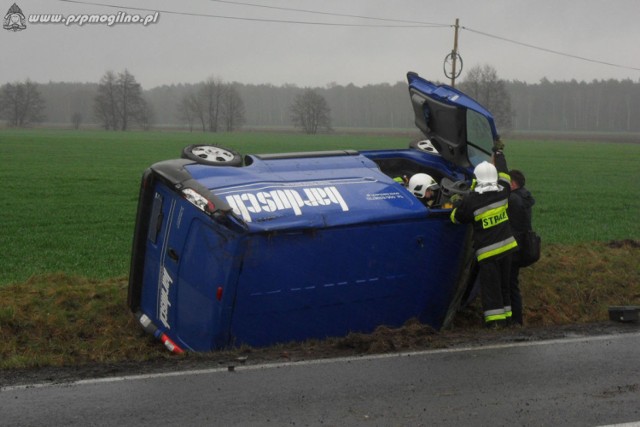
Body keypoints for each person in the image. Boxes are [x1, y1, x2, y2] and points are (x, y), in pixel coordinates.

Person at [450, 150, 518, 328]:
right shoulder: (504, 190)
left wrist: (457, 200)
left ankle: (495, 324)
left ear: (476, 178)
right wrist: (499, 154)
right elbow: (504, 174)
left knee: (491, 289)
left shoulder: (472, 201)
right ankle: (508, 320)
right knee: (505, 286)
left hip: (488, 253)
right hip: (508, 248)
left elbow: (456, 218)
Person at [507, 169, 536, 326]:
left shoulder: (513, 200)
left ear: (512, 184)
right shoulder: (525, 197)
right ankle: (517, 319)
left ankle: (514, 320)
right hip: (521, 247)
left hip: (512, 247)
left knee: (509, 285)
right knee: (513, 284)